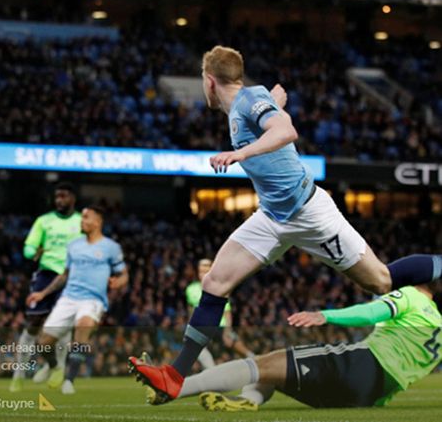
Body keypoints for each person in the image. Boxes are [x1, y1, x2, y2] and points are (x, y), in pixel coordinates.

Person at [129, 45, 442, 401]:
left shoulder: (247, 102)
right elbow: (272, 115)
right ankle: (174, 375)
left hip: (310, 214)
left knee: (381, 280)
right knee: (215, 281)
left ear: (209, 81)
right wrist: (275, 101)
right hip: (271, 217)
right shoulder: (247, 102)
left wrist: (241, 152)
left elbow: (285, 131)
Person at [143, 283, 441, 411]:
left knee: (264, 362)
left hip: (364, 363)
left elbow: (372, 312)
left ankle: (174, 388)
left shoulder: (412, 296)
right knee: (276, 372)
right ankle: (250, 402)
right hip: (374, 395)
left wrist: (326, 315)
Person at [27, 205, 128, 394]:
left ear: (98, 222)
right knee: (43, 343)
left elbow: (124, 274)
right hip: (69, 298)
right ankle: (52, 365)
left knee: (84, 326)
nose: (82, 221)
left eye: (86, 217)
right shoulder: (74, 246)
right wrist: (43, 293)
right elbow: (64, 275)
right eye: (81, 217)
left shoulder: (111, 248)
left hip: (93, 300)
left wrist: (118, 282)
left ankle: (69, 380)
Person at [9, 182, 83, 392]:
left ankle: (59, 368)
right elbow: (28, 247)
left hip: (71, 276)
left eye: (64, 196)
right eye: (57, 196)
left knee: (63, 326)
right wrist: (32, 251)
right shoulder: (44, 221)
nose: (59, 200)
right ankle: (19, 372)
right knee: (34, 321)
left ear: (73, 199)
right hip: (46, 274)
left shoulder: (80, 221)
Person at [185, 258, 252, 370]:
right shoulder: (191, 289)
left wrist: (228, 330)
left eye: (207, 270)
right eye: (201, 270)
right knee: (194, 345)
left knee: (233, 342)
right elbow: (191, 310)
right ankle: (211, 370)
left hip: (220, 325)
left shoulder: (219, 287)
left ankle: (254, 359)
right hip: (202, 326)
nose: (203, 273)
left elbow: (227, 311)